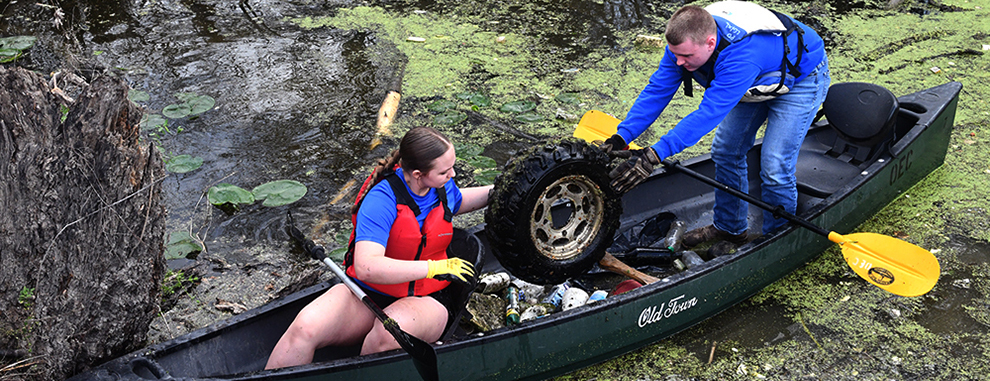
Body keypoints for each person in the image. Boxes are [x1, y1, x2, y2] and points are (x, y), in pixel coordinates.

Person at [603, 1, 831, 249]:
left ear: (710, 43)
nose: (679, 62)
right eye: (675, 54)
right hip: (757, 78)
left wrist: (654, 155)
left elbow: (708, 114)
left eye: (686, 56)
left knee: (775, 165)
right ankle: (730, 228)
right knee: (726, 150)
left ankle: (777, 242)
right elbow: (657, 91)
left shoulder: (741, 57)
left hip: (801, 78)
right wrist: (621, 136)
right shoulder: (682, 47)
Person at [266, 126, 493, 369]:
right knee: (304, 328)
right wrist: (433, 268)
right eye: (445, 171)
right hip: (369, 291)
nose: (453, 174)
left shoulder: (442, 187)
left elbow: (460, 200)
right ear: (418, 174)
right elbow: (367, 267)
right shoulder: (381, 200)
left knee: (385, 336)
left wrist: (497, 191)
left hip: (427, 297)